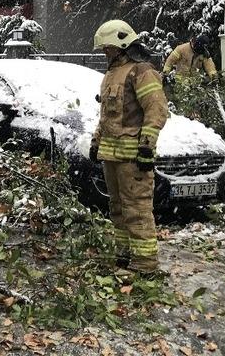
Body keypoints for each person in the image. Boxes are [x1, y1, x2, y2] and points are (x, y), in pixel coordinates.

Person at [89, 20, 169, 276]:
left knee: (137, 210)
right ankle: (123, 256)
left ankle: (145, 265)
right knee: (118, 209)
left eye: (109, 48)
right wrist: (96, 141)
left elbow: (156, 109)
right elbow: (107, 117)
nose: (105, 52)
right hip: (112, 157)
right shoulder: (112, 74)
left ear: (122, 44)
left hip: (133, 158)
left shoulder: (141, 71)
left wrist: (147, 148)